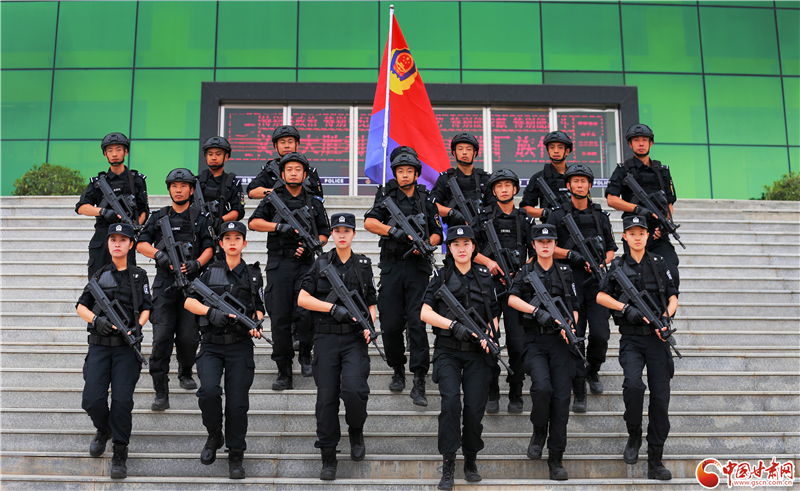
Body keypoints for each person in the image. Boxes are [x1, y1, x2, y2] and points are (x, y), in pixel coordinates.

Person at [597, 215, 679, 481]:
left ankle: (655, 459)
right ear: (624, 237)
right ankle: (634, 434)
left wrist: (665, 318)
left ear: (647, 235)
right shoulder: (617, 265)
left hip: (657, 340)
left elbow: (673, 296)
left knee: (660, 400)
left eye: (641, 233)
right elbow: (601, 295)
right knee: (633, 386)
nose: (637, 237)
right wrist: (625, 308)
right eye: (632, 233)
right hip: (631, 339)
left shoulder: (659, 262)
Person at [297, 213, 377, 481]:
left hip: (354, 339)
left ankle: (355, 429)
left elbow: (371, 301)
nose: (342, 234)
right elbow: (303, 299)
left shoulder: (363, 265)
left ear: (354, 234)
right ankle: (328, 455)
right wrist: (332, 308)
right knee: (326, 399)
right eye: (337, 230)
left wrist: (370, 324)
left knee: (355, 391)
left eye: (347, 230)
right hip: (326, 338)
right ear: (331, 234)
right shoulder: (320, 263)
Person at [420, 225, 499, 491]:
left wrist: (490, 335)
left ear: (473, 247)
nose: (462, 248)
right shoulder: (441, 276)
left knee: (474, 410)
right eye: (456, 244)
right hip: (448, 349)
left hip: (477, 353)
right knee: (451, 403)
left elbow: (494, 314)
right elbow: (425, 312)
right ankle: (449, 463)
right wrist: (453, 325)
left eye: (466, 243)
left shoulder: (485, 277)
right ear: (449, 248)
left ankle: (471, 460)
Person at [184, 221, 264, 480]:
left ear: (244, 243)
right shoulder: (209, 272)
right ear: (220, 243)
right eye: (227, 238)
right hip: (211, 345)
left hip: (240, 345)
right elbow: (189, 302)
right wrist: (211, 312)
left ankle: (236, 454)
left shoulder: (253, 274)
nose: (232, 242)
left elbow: (259, 308)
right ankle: (214, 434)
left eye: (237, 238)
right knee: (208, 392)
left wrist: (256, 323)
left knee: (238, 404)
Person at [364, 150, 442, 406]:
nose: (405, 175)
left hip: (418, 269)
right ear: (395, 174)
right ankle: (397, 368)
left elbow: (437, 233)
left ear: (416, 174)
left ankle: (419, 377)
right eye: (400, 171)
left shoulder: (426, 199)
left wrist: (427, 245)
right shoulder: (386, 195)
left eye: (409, 171)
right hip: (392, 266)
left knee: (417, 323)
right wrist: (394, 231)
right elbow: (369, 222)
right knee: (391, 323)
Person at [248, 152, 330, 388]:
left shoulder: (313, 201)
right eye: (289, 170)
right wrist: (279, 227)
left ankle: (305, 354)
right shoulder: (272, 199)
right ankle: (284, 371)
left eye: (298, 169)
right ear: (282, 175)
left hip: (306, 265)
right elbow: (254, 223)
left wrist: (311, 246)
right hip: (279, 264)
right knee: (280, 318)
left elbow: (324, 233)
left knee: (306, 314)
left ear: (305, 174)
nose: (294, 173)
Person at [76, 223, 152, 479]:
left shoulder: (139, 276)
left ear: (131, 245)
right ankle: (103, 429)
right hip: (99, 346)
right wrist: (95, 320)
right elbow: (81, 306)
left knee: (121, 402)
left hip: (125, 350)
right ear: (108, 244)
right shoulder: (98, 275)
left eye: (122, 240)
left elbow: (146, 307)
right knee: (92, 399)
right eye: (113, 240)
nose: (117, 244)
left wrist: (138, 327)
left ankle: (120, 451)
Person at [507, 224, 580, 481]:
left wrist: (570, 326)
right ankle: (539, 430)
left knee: (561, 401)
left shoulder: (565, 272)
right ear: (534, 245)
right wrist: (536, 311)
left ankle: (556, 459)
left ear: (555, 244)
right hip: (535, 341)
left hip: (561, 344)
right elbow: (512, 299)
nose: (546, 245)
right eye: (541, 242)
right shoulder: (526, 271)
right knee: (541, 388)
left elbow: (575, 306)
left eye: (550, 241)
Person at [136, 168, 214, 408]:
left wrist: (196, 263)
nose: (178, 190)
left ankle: (185, 370)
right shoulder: (158, 216)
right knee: (161, 338)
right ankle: (161, 391)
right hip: (164, 285)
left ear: (191, 190)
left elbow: (210, 248)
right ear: (169, 189)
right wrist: (158, 255)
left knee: (189, 337)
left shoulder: (201, 217)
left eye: (183, 186)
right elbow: (141, 244)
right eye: (174, 186)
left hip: (192, 286)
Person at [546, 164, 617, 412]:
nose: (579, 185)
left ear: (590, 185)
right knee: (575, 335)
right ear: (568, 185)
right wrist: (572, 255)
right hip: (569, 282)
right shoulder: (556, 215)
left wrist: (601, 262)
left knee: (600, 335)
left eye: (583, 181)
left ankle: (593, 369)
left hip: (596, 283)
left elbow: (611, 249)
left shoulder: (600, 216)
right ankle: (578, 390)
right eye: (575, 181)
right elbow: (547, 247)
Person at [476, 169, 534, 414]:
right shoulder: (482, 218)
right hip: (488, 287)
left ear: (514, 189)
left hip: (516, 288)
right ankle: (492, 390)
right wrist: (488, 262)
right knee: (489, 339)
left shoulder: (524, 219)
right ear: (493, 190)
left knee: (518, 343)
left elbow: (537, 252)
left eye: (508, 185)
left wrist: (521, 273)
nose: (503, 189)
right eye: (499, 186)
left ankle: (515, 390)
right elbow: (466, 248)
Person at [605, 124, 680, 289]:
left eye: (645, 140)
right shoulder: (623, 170)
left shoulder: (662, 170)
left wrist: (663, 227)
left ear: (650, 143)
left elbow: (669, 204)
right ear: (630, 144)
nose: (641, 143)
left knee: (671, 272)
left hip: (657, 234)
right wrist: (637, 209)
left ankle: (668, 306)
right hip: (634, 232)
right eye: (636, 140)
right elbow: (611, 199)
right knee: (637, 278)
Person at [76, 132, 148, 278]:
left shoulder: (137, 181)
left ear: (126, 152)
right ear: (105, 154)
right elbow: (81, 207)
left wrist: (133, 228)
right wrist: (102, 212)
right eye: (110, 150)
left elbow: (144, 211)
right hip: (102, 239)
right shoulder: (97, 182)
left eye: (118, 149)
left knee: (126, 283)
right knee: (97, 284)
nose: (114, 154)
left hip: (124, 238)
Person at [196, 136, 245, 262]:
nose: (213, 157)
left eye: (218, 154)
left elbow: (238, 211)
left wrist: (219, 220)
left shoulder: (233, 182)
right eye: (210, 154)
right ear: (205, 156)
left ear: (226, 157)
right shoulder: (196, 183)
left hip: (221, 233)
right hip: (197, 234)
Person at [430, 133, 494, 226]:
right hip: (454, 231)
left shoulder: (485, 179)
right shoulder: (445, 178)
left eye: (469, 149)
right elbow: (432, 205)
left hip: (481, 230)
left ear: (475, 153)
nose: (464, 152)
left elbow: (495, 207)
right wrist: (451, 212)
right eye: (460, 149)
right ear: (454, 153)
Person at [247, 125, 324, 199]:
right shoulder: (270, 170)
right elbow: (252, 191)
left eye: (290, 142)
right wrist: (277, 193)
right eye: (282, 142)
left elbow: (318, 198)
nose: (287, 146)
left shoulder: (309, 171)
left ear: (297, 144)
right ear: (276, 146)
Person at [520, 131, 572, 220]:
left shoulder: (575, 177)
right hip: (549, 227)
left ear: (567, 151)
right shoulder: (539, 178)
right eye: (552, 147)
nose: (556, 151)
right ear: (548, 151)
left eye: (560, 147)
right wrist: (545, 212)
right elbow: (524, 209)